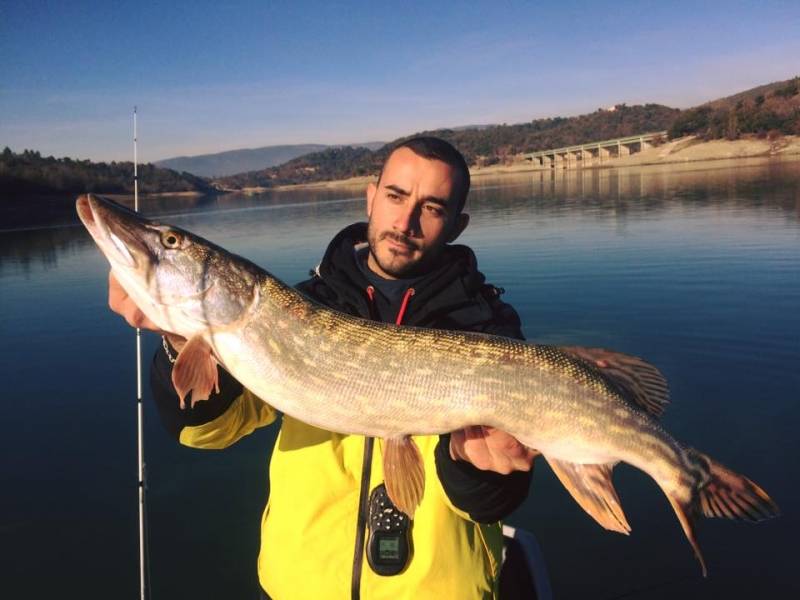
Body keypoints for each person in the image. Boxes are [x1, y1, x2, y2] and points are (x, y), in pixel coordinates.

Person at [109, 137, 537, 599]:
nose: (405, 221)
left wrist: (475, 467)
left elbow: (492, 502)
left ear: (457, 224)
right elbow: (209, 430)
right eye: (395, 196)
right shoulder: (299, 309)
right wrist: (178, 338)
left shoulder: (486, 329)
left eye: (432, 208)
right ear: (370, 197)